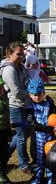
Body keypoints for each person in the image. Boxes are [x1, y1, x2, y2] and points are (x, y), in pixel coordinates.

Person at [26, 78, 56, 184]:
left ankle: (51, 181)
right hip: (37, 139)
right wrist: (49, 129)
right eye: (34, 95)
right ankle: (36, 181)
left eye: (39, 94)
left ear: (43, 93)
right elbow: (34, 125)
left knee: (50, 160)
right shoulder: (29, 108)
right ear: (30, 94)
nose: (36, 97)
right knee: (38, 161)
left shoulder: (49, 104)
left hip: (50, 140)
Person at [0, 42, 32, 174]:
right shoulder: (9, 69)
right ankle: (23, 164)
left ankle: (5, 155)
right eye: (18, 54)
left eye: (23, 53)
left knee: (24, 133)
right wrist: (31, 94)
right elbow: (16, 92)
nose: (21, 56)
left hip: (25, 104)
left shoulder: (19, 66)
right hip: (15, 106)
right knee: (21, 136)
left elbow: (26, 81)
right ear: (9, 54)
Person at [0, 76, 13, 184]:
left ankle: (2, 176)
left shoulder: (5, 99)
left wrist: (9, 130)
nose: (1, 88)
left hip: (4, 130)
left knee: (4, 156)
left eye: (1, 86)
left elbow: (7, 116)